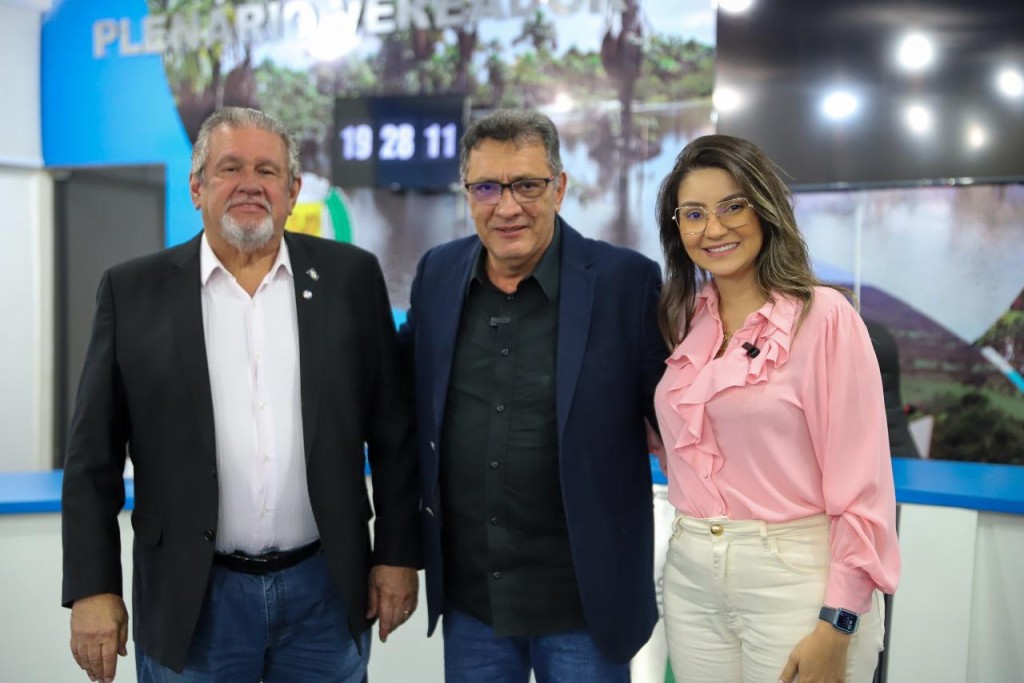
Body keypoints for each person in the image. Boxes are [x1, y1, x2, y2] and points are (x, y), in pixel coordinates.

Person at [61, 107, 420, 683]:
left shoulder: (350, 278)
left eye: (267, 170)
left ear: (293, 191)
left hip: (325, 593)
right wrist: (92, 587)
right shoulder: (132, 291)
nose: (250, 184)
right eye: (230, 168)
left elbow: (394, 432)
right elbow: (91, 459)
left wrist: (397, 553)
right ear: (197, 187)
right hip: (191, 598)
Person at [399, 109, 665, 682]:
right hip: (474, 602)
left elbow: (676, 418)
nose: (507, 207)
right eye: (487, 187)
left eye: (526, 185)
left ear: (559, 188)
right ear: (467, 192)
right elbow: (401, 398)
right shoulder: (437, 273)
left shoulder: (625, 282)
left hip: (583, 604)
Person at [652, 134, 901, 683]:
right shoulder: (684, 320)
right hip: (691, 575)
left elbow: (863, 486)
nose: (713, 229)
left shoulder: (825, 317)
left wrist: (839, 621)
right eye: (693, 214)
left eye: (732, 206)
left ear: (765, 209)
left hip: (796, 578)